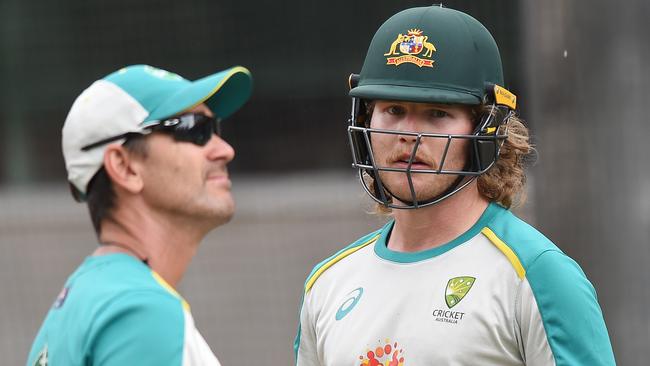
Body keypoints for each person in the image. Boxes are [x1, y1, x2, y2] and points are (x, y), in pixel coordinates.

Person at [294, 6, 615, 366]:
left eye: (437, 113)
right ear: (365, 121)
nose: (408, 135)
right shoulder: (327, 284)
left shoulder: (537, 276)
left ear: (485, 130)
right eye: (394, 110)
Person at [26, 64, 252, 366]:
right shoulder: (141, 310)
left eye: (216, 129)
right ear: (125, 167)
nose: (224, 150)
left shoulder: (81, 303)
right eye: (194, 128)